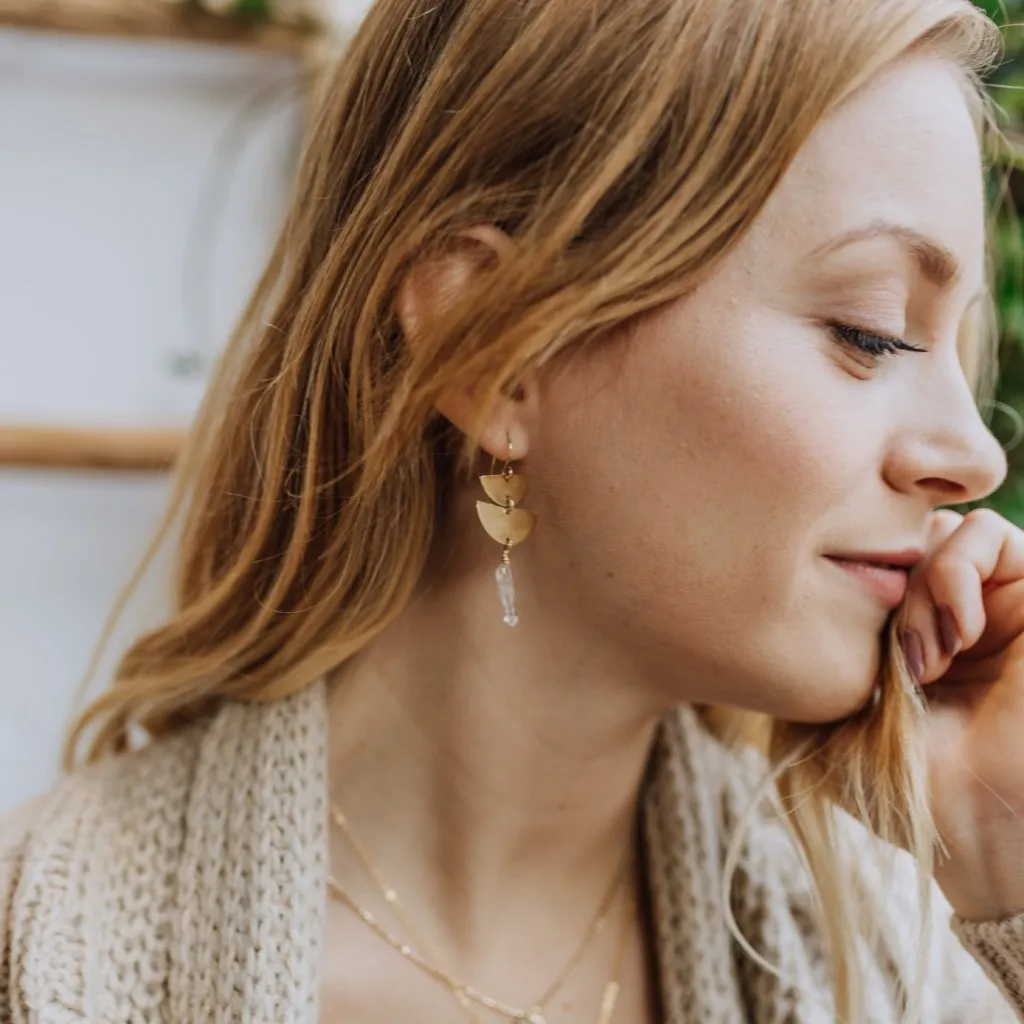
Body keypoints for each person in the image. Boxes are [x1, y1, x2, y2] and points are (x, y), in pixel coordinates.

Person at [4, 0, 1024, 1020]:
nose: (972, 455)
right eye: (873, 331)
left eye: (952, 352)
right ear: (495, 348)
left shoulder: (919, 973)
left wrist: (1002, 848)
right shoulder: (40, 956)